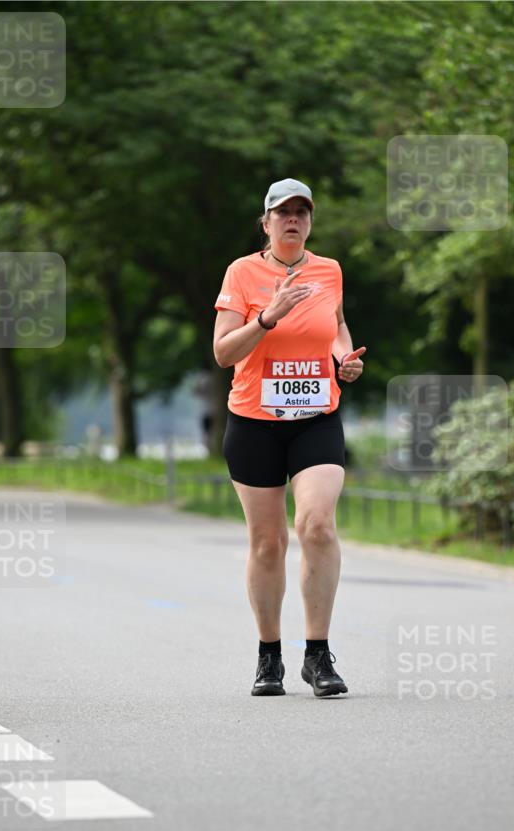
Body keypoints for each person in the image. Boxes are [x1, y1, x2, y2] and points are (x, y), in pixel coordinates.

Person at [213, 178, 366, 698]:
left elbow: (337, 326)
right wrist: (268, 317)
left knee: (317, 525)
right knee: (268, 542)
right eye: (283, 213)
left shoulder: (330, 271)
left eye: (302, 212)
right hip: (254, 421)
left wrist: (342, 358)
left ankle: (318, 655)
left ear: (310, 222)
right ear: (266, 222)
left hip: (315, 416)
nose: (293, 220)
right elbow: (223, 352)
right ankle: (268, 656)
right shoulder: (242, 272)